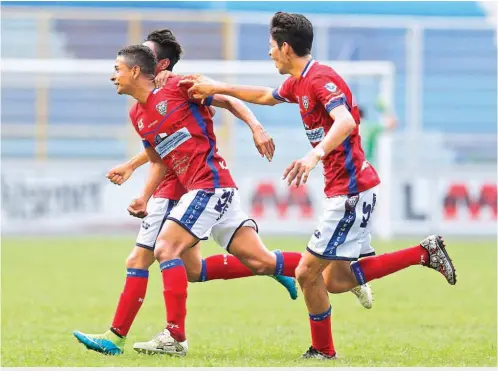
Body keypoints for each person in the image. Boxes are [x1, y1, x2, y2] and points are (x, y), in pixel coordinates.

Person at [179, 12, 457, 360]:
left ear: (285, 47)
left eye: (271, 46)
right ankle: (424, 253)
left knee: (306, 272)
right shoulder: (299, 82)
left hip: (351, 191)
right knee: (338, 281)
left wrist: (314, 155)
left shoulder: (321, 78)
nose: (269, 53)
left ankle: (323, 352)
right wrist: (218, 86)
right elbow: (266, 96)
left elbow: (345, 121)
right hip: (348, 189)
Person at [72, 29, 296, 356]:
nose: (113, 75)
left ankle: (164, 337)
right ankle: (327, 267)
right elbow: (159, 158)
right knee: (233, 264)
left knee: (161, 251)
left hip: (208, 185)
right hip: (201, 188)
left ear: (142, 68)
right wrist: (140, 185)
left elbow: (228, 99)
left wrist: (256, 127)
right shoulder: (138, 115)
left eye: (117, 69)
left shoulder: (181, 86)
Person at [358, 102, 397, 166]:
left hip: (352, 169)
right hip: (369, 167)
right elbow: (392, 124)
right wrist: (385, 109)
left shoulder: (348, 127)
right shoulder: (371, 127)